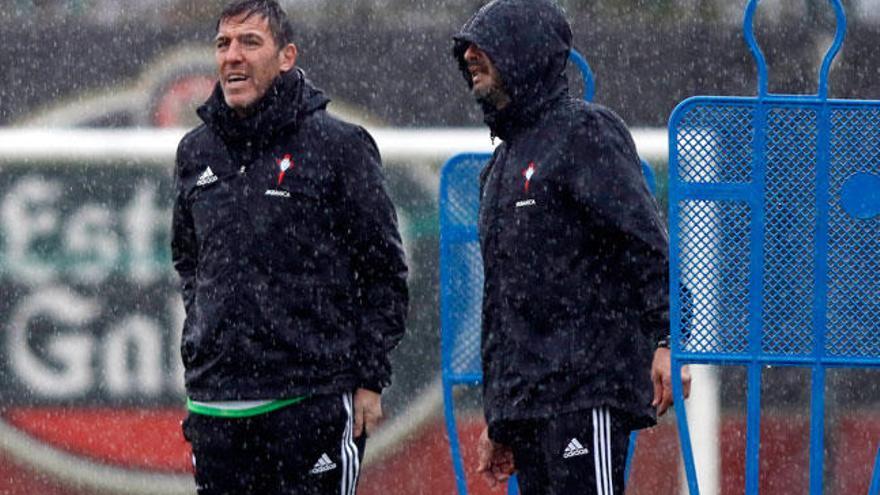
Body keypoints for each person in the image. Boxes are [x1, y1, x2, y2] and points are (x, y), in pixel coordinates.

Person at [451, 1, 691, 493]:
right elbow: (502, 306)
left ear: (527, 52)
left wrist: (671, 341)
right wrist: (502, 419)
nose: (470, 55)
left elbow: (644, 244)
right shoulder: (497, 169)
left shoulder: (585, 132)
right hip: (531, 411)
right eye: (467, 48)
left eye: (485, 43)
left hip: (586, 394)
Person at [171, 1, 408, 493]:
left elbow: (383, 269)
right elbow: (189, 260)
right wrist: (204, 341)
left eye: (249, 42)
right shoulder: (196, 151)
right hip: (218, 406)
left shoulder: (339, 145)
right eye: (223, 44)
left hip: (311, 400)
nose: (232, 56)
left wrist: (369, 378)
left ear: (287, 56)